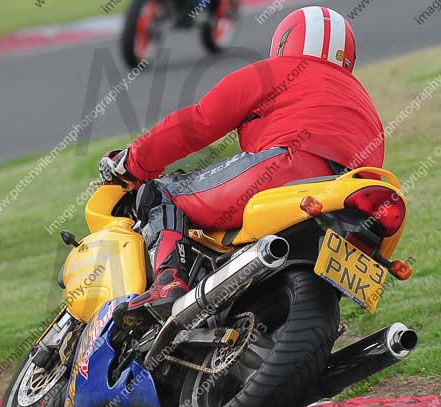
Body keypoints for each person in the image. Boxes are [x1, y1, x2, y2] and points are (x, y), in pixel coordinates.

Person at [100, 6, 384, 330]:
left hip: (287, 168)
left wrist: (133, 161)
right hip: (356, 198)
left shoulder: (276, 70)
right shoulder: (363, 99)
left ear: (285, 42)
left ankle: (168, 282)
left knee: (160, 192)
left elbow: (197, 123)